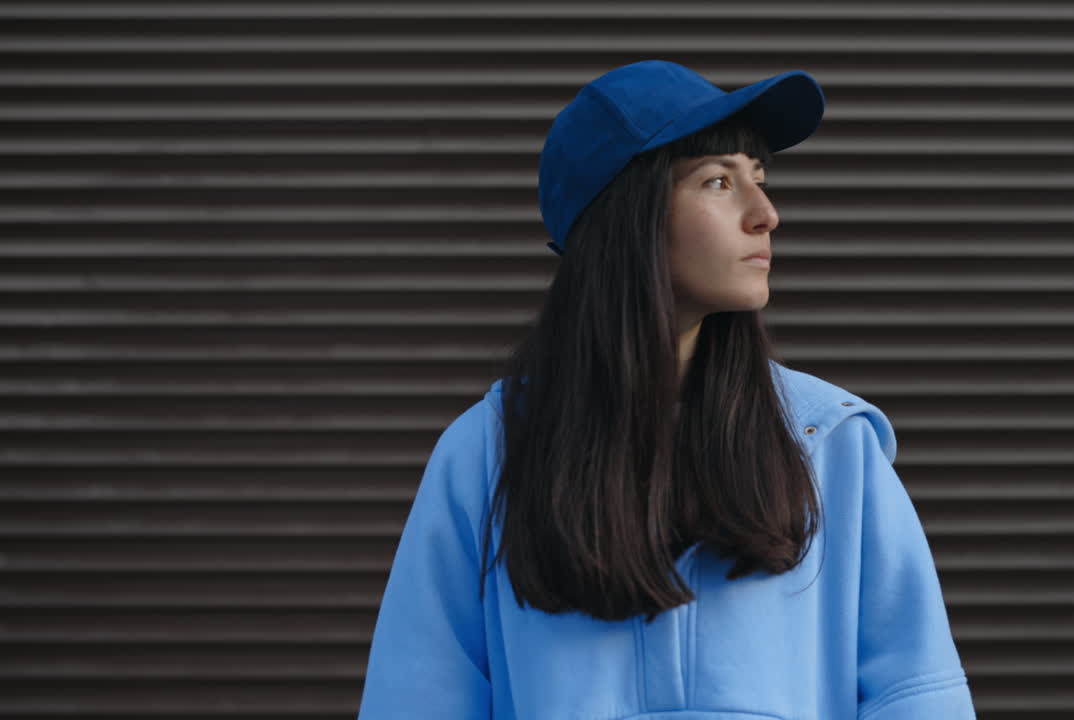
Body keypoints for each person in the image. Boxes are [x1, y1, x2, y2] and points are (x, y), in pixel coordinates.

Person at [357, 60, 976, 720]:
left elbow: (916, 697)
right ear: (628, 217)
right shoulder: (487, 454)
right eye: (719, 182)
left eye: (759, 181)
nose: (765, 215)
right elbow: (416, 700)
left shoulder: (830, 444)